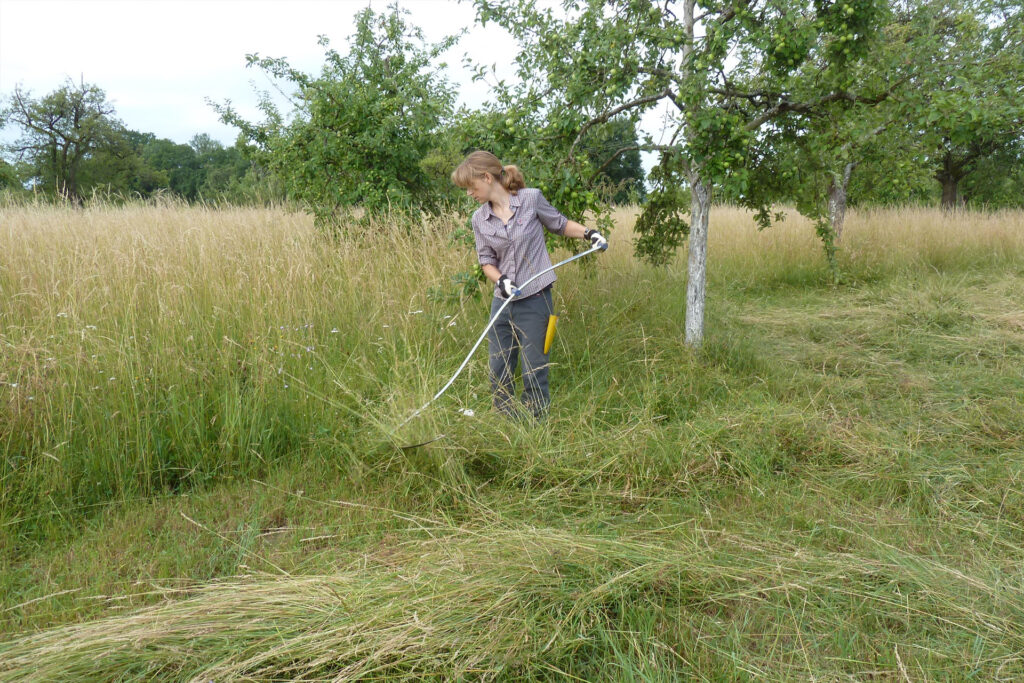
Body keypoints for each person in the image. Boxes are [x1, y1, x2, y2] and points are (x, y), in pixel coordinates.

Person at [451, 150, 608, 419]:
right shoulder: (479, 219)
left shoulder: (531, 199)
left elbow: (559, 224)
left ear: (487, 177)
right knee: (499, 367)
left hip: (536, 301)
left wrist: (590, 234)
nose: (469, 194)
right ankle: (506, 423)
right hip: (502, 304)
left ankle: (536, 426)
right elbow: (486, 261)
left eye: (471, 186)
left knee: (534, 369)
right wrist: (502, 281)